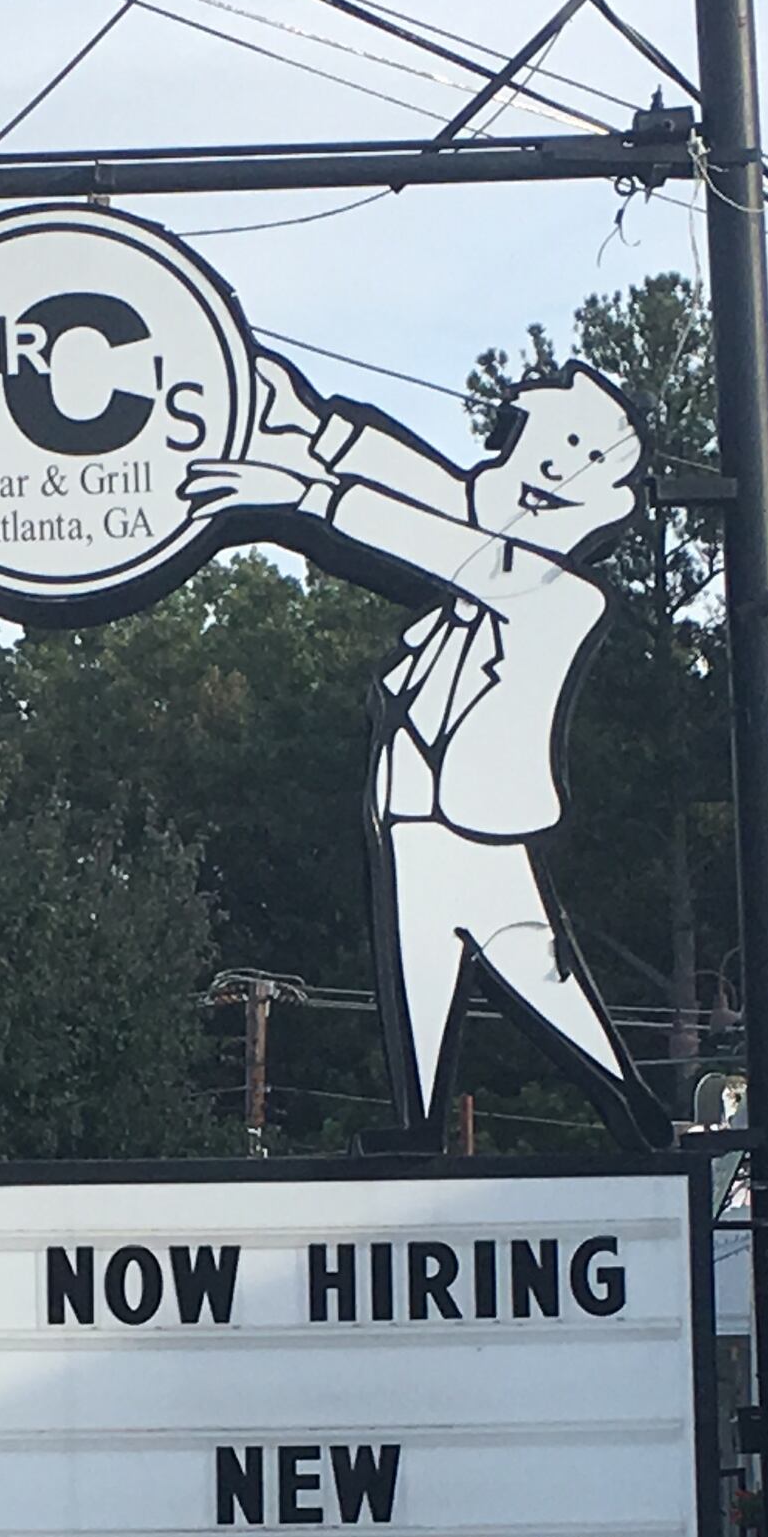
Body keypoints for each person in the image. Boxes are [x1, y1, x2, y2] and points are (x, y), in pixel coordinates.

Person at [183, 351, 662, 1144]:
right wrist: (310, 422)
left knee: (533, 967)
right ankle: (430, 1123)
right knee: (433, 967)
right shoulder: (490, 534)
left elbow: (440, 541)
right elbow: (438, 488)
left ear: (608, 502)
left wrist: (303, 495)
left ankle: (626, 1104)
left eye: (575, 462)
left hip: (475, 819)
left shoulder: (560, 593)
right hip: (412, 805)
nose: (542, 471)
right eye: (530, 453)